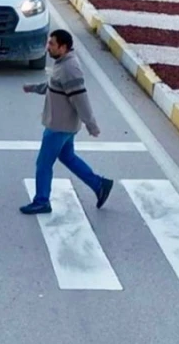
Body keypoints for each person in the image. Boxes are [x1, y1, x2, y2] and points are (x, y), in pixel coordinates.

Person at [19, 29, 114, 214]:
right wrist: (33, 88)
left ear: (63, 47)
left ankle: (42, 201)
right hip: (65, 125)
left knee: (43, 164)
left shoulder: (70, 69)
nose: (48, 47)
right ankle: (99, 184)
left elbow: (80, 99)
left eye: (52, 44)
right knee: (67, 157)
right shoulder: (62, 63)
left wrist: (91, 125)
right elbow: (54, 85)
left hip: (59, 126)